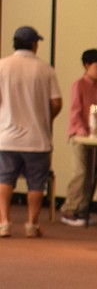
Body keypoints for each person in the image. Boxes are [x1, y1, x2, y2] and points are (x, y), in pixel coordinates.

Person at [0, 26, 62, 239]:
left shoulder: (2, 66)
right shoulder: (46, 69)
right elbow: (56, 102)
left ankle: (4, 223)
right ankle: (31, 224)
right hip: (37, 139)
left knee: (4, 179)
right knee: (36, 183)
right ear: (34, 44)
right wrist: (46, 118)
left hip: (7, 138)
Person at [61, 47, 97, 227]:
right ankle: (69, 209)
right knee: (81, 172)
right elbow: (75, 111)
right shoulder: (78, 85)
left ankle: (83, 210)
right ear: (87, 65)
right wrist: (81, 129)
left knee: (95, 172)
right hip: (79, 136)